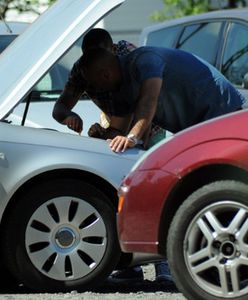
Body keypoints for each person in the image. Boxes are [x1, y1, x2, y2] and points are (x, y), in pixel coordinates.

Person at [53, 29, 169, 283]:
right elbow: (59, 107)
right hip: (114, 132)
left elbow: (135, 108)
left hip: (148, 127)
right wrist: (69, 117)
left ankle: (164, 264)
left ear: (111, 52)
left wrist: (107, 134)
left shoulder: (127, 57)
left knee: (152, 193)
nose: (100, 77)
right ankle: (130, 265)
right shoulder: (83, 69)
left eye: (102, 66)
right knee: (120, 195)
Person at [79, 46, 246, 152]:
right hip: (197, 126)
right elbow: (118, 131)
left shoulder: (145, 60)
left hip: (222, 110)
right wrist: (102, 137)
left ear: (106, 75)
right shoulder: (121, 89)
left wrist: (131, 138)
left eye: (94, 83)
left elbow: (148, 101)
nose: (96, 89)